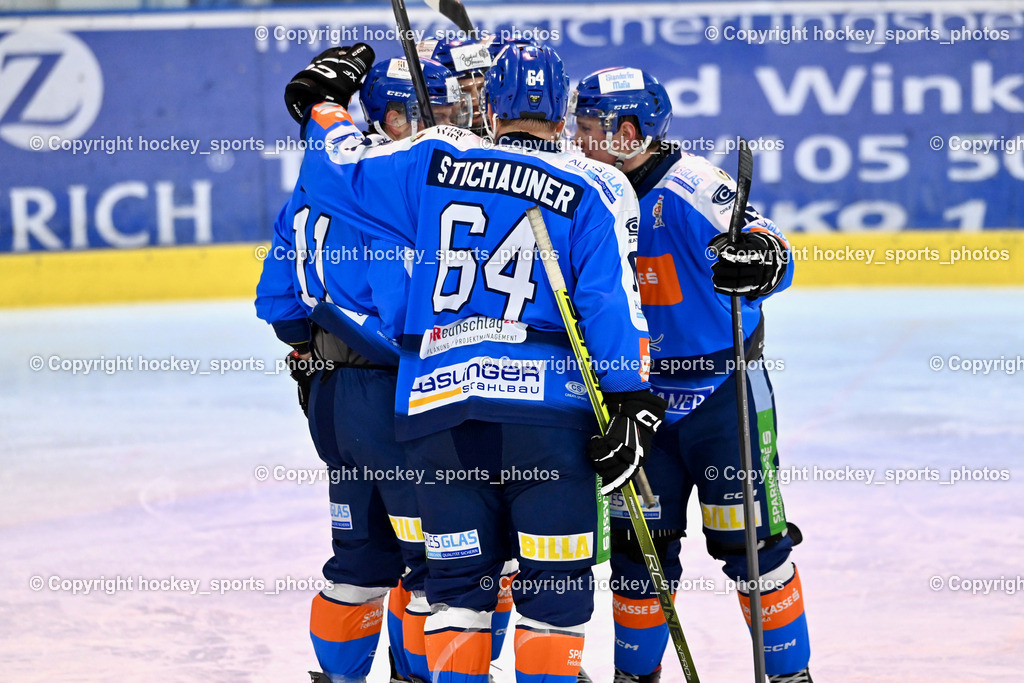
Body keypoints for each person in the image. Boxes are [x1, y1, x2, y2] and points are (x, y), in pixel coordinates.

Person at [290, 43, 666, 683]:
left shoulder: (432, 159)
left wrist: (322, 108)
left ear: (488, 106)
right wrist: (630, 398)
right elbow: (610, 303)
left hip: (440, 416)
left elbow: (339, 173)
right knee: (553, 601)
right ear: (565, 115)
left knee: (458, 594)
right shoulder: (598, 184)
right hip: (550, 422)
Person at [569, 67, 813, 683]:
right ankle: (636, 675)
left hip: (720, 395)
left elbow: (766, 243)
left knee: (754, 548)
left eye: (589, 127)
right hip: (636, 404)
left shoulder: (692, 185)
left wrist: (759, 260)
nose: (576, 137)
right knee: (638, 558)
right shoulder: (587, 189)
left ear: (629, 132)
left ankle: (789, 676)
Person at [256, 45, 470, 683]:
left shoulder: (318, 181)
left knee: (359, 559)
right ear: (396, 117)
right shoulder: (404, 188)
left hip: (334, 399)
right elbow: (409, 318)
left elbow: (278, 301)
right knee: (436, 563)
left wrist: (317, 353)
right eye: (441, 104)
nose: (457, 114)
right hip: (398, 399)